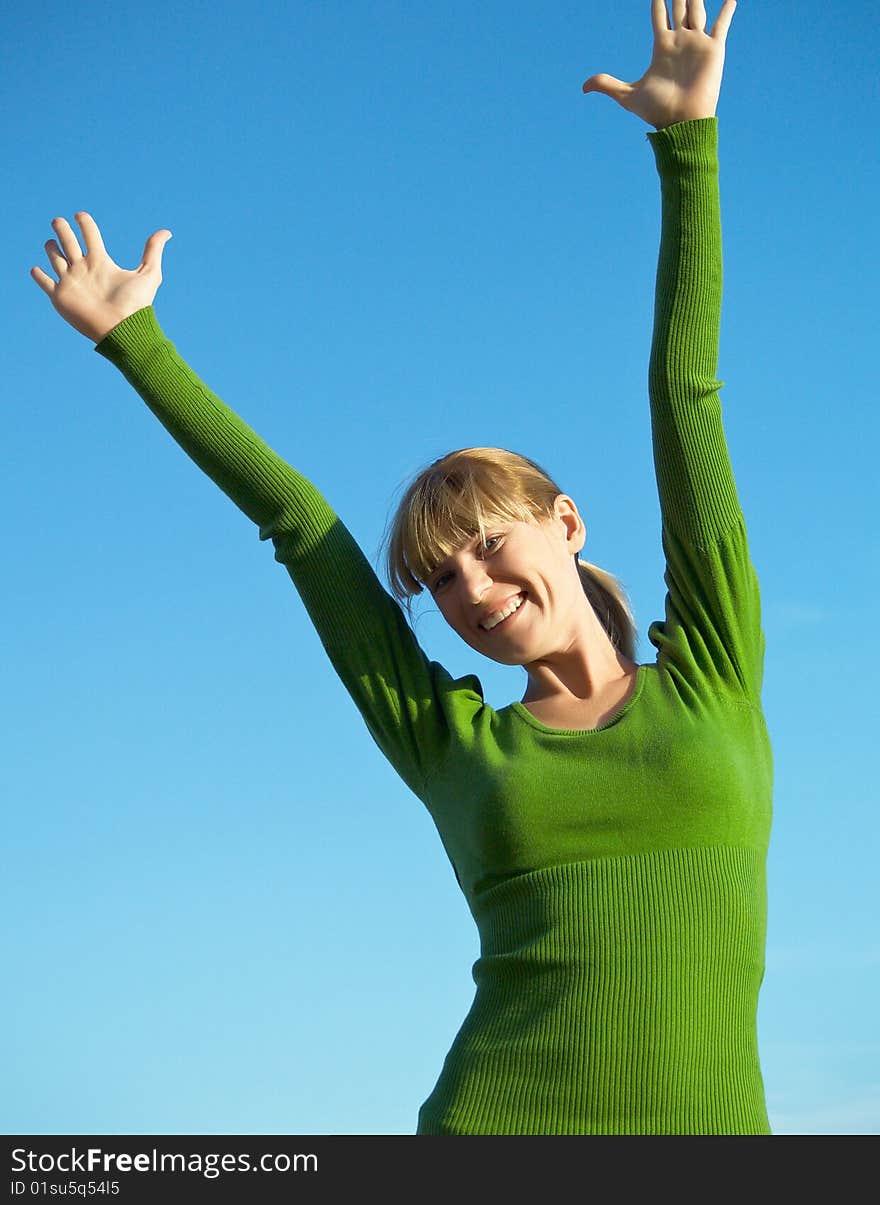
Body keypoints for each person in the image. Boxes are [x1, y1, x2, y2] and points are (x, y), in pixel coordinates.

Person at [31, 0, 771, 1134]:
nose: (470, 590)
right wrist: (138, 341)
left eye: (486, 544)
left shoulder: (715, 667)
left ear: (564, 520)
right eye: (438, 581)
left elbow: (686, 399)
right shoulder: (450, 739)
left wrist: (687, 149)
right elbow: (300, 525)